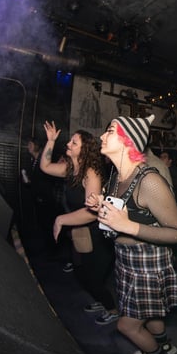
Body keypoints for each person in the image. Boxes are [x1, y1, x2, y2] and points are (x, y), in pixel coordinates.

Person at [87, 114, 177, 354]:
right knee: (151, 314)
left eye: (110, 131)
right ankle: (163, 344)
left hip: (147, 264)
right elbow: (122, 213)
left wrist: (128, 226)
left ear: (128, 141)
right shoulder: (116, 175)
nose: (102, 136)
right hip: (125, 259)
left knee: (127, 325)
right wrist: (101, 206)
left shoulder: (149, 181)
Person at [40, 122, 120, 326]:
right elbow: (45, 167)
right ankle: (100, 301)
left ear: (84, 150)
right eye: (70, 141)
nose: (68, 143)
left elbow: (92, 213)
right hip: (80, 233)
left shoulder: (91, 173)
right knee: (80, 273)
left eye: (74, 142)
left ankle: (112, 309)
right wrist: (51, 141)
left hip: (97, 235)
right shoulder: (70, 169)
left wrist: (61, 220)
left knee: (92, 278)